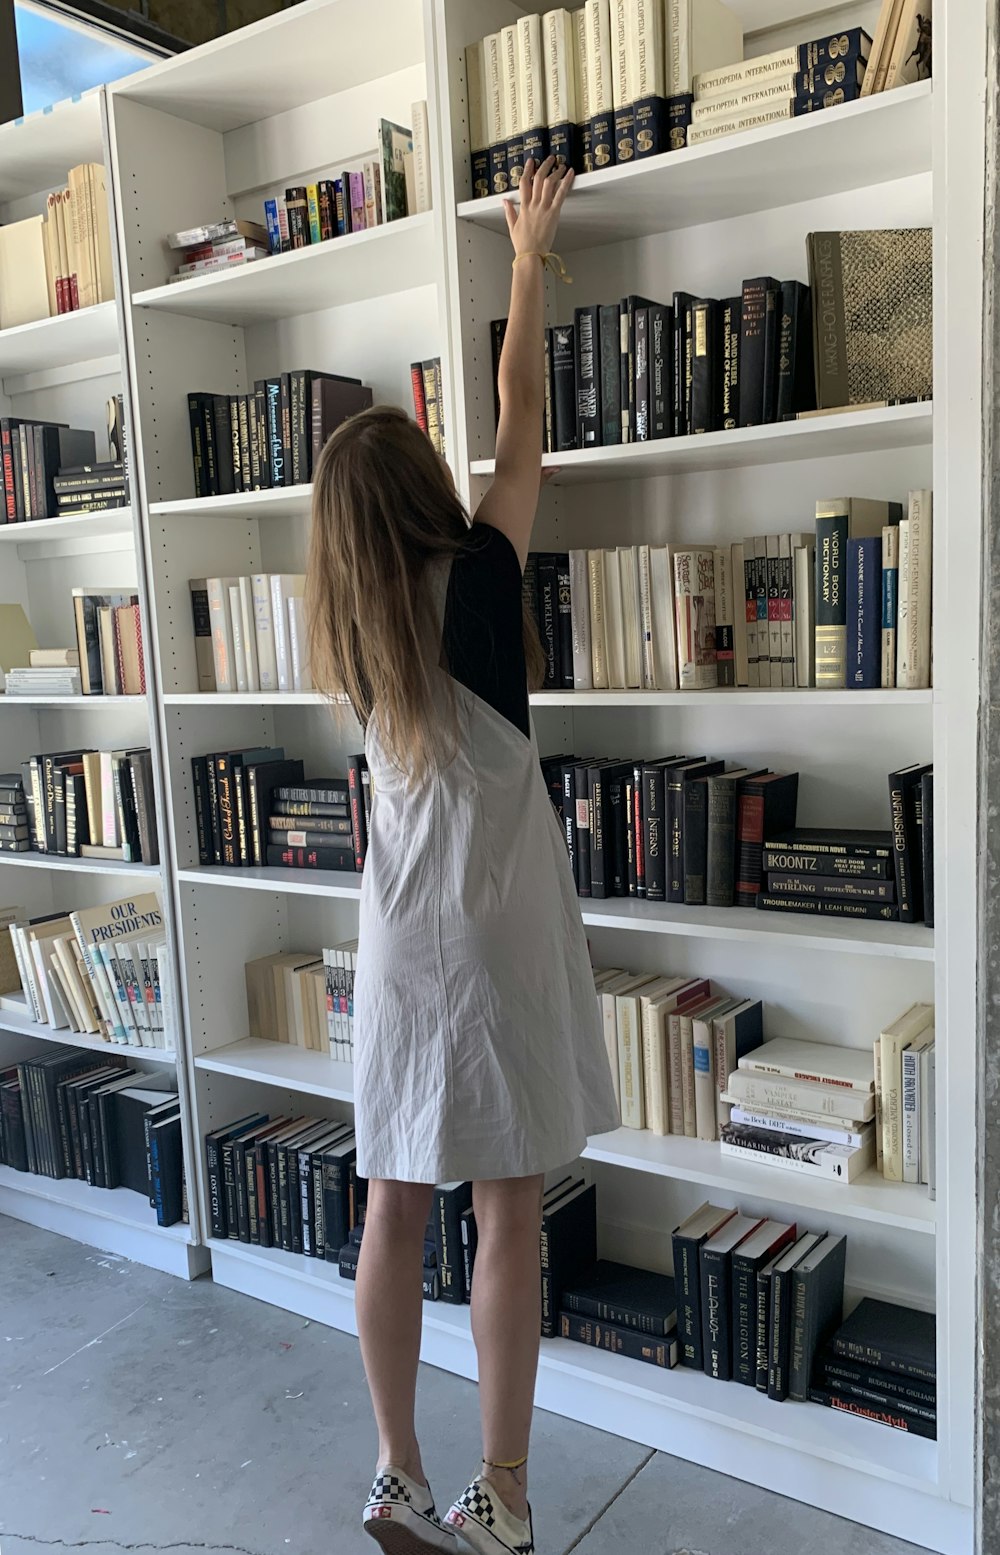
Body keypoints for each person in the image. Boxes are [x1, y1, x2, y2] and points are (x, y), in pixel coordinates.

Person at [306, 156, 620, 1555]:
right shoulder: (484, 575)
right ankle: (503, 1494)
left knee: (390, 1207)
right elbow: (523, 427)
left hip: (400, 942)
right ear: (427, 493)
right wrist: (528, 260)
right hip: (499, 933)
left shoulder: (357, 639)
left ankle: (392, 1472)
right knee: (507, 1215)